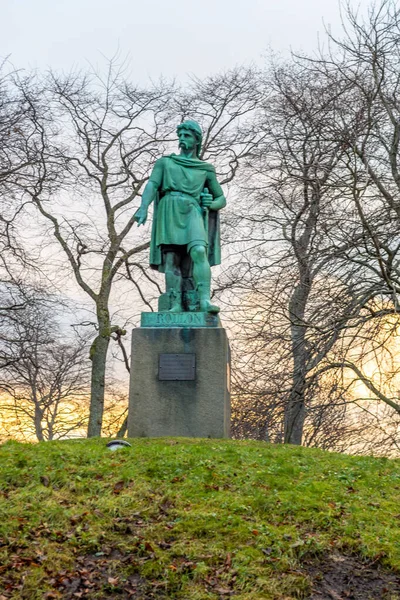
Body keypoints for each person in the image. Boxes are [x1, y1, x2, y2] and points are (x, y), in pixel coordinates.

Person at [134, 120, 226, 314]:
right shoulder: (165, 162)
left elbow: (221, 198)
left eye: (187, 136)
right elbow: (152, 184)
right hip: (169, 208)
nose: (182, 139)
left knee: (199, 251)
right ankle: (175, 303)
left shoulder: (205, 168)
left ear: (196, 140)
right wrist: (143, 207)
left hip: (192, 209)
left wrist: (211, 204)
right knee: (171, 259)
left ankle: (204, 301)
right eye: (181, 135)